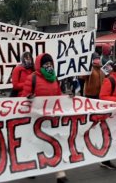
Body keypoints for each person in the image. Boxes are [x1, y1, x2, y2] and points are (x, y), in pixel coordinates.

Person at [20, 53, 67, 183]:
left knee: (55, 142)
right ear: (39, 65)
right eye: (45, 64)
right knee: (35, 143)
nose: (48, 66)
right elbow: (23, 98)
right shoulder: (32, 78)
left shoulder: (55, 78)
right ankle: (31, 168)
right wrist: (28, 97)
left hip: (51, 117)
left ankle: (60, 174)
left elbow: (58, 94)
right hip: (36, 118)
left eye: (50, 63)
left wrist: (68, 98)